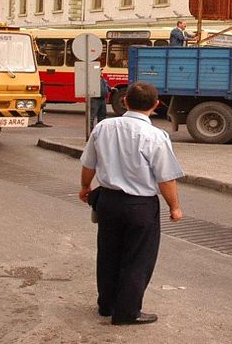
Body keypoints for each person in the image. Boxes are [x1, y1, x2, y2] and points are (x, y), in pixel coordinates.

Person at [79, 82, 184, 325]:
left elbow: (89, 164)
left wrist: (85, 187)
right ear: (156, 105)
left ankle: (107, 305)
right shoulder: (156, 136)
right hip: (140, 206)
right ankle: (127, 312)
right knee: (138, 258)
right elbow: (165, 177)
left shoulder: (103, 127)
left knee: (108, 254)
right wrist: (174, 207)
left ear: (124, 101)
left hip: (107, 201)